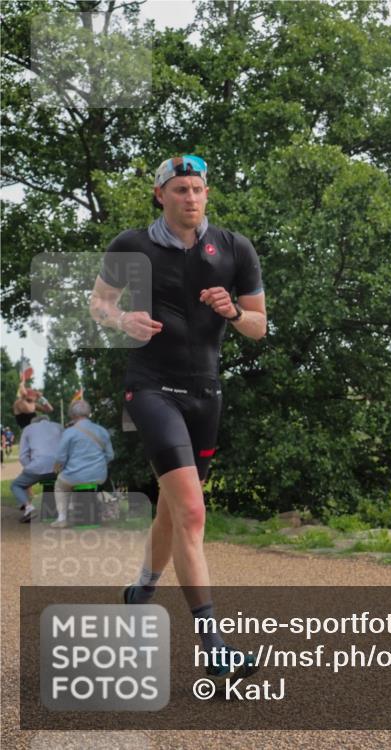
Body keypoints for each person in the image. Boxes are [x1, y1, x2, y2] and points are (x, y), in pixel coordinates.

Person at [89, 154, 266, 684]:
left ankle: (141, 591)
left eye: (198, 189)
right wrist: (123, 318)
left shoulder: (234, 249)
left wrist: (233, 311)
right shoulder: (131, 245)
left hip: (206, 393)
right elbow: (98, 303)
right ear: (159, 194)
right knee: (192, 510)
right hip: (150, 387)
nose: (191, 197)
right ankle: (214, 646)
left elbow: (258, 326)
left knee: (172, 508)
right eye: (181, 189)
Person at [50, 400, 114, 529]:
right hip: (99, 476)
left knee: (60, 485)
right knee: (81, 482)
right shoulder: (101, 430)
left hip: (74, 476)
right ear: (89, 413)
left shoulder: (69, 432)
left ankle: (62, 518)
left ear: (72, 415)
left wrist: (57, 468)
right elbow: (110, 455)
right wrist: (99, 466)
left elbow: (60, 458)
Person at [11, 413, 63, 522]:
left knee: (16, 485)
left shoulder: (28, 429)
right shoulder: (59, 426)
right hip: (59, 468)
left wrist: (29, 467)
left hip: (38, 467)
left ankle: (29, 508)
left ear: (33, 423)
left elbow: (23, 456)